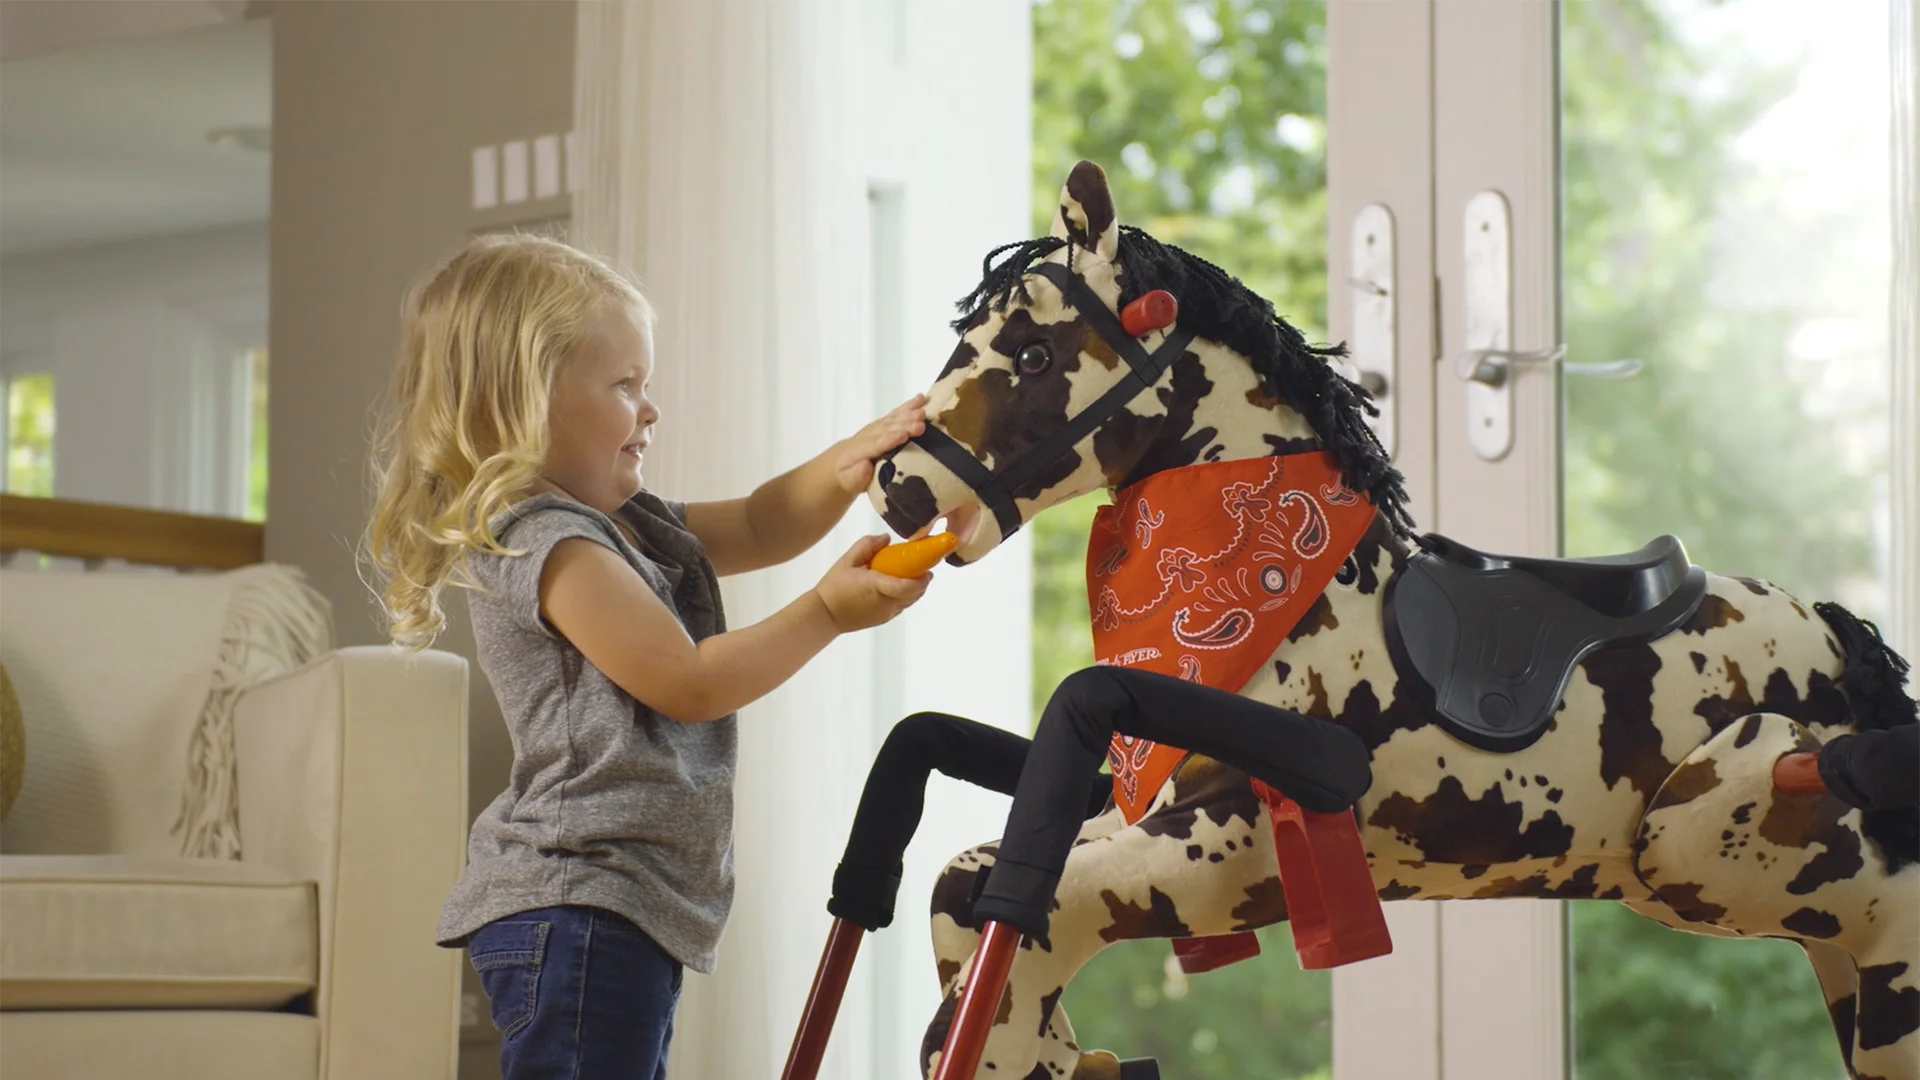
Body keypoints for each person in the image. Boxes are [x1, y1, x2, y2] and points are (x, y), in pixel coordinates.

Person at [361, 234, 932, 1078]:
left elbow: (763, 524)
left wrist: (850, 463)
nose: (651, 410)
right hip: (578, 898)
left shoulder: (621, 524)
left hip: (616, 904)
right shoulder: (548, 544)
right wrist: (825, 614)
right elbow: (687, 682)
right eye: (625, 386)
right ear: (520, 403)